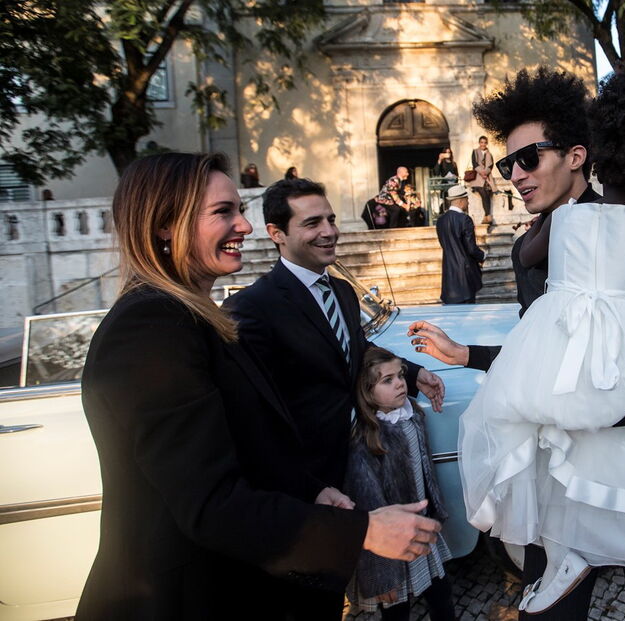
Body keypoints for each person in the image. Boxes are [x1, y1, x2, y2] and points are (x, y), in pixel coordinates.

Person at [406, 66, 625, 621]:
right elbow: (553, 361)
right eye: (507, 163)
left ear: (576, 155)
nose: (514, 176)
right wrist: (469, 356)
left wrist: (609, 411)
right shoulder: (535, 248)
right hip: (562, 493)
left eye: (529, 159)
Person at [78, 153, 442, 620]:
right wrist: (362, 531)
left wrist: (307, 488)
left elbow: (244, 440)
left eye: (240, 211)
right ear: (165, 224)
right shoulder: (151, 326)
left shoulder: (193, 318)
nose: (244, 227)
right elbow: (211, 502)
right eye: (223, 212)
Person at [222, 177, 448, 615]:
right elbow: (256, 417)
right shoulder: (253, 309)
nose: (329, 230)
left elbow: (356, 352)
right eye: (312, 223)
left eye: (330, 218)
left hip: (361, 463)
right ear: (276, 233)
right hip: (309, 486)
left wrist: (416, 372)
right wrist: (308, 486)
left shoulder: (343, 290)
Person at [344, 346, 457, 621]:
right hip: (393, 543)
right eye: (387, 380)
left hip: (422, 530)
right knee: (396, 611)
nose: (399, 384)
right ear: (368, 392)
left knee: (442, 596)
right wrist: (382, 573)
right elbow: (370, 506)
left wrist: (435, 512)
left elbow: (425, 470)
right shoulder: (367, 441)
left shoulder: (412, 414)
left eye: (400, 376)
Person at [435, 184, 485, 304]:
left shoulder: (440, 221)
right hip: (465, 272)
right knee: (468, 310)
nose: (468, 203)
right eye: (467, 200)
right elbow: (471, 248)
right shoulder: (464, 219)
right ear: (461, 200)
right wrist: (483, 256)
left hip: (449, 272)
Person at [468, 136, 496, 224]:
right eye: (481, 142)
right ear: (479, 143)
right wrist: (482, 172)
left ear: (486, 143)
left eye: (484, 142)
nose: (483, 144)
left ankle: (486, 217)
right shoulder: (475, 151)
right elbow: (474, 163)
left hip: (487, 178)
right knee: (483, 193)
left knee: (487, 195)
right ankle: (488, 216)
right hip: (478, 178)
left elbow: (491, 165)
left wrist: (486, 172)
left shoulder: (489, 153)